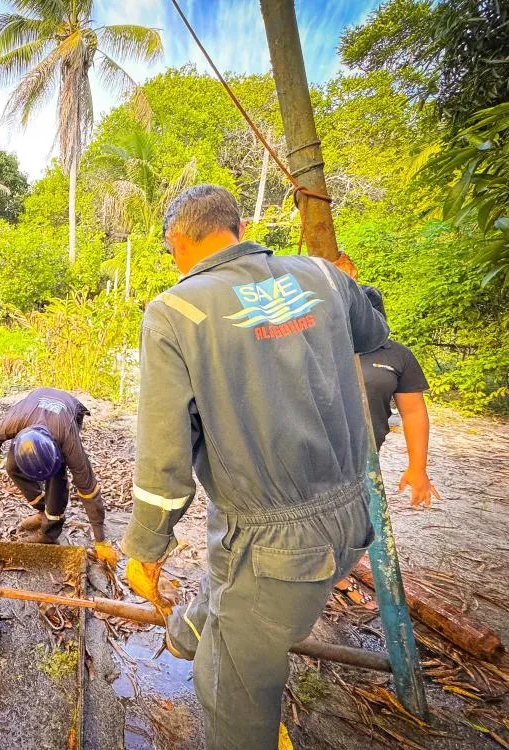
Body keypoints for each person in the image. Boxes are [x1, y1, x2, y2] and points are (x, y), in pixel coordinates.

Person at [120, 185, 389, 749]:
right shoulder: (322, 276)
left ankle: (213, 643)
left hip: (276, 548)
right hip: (352, 517)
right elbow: (375, 334)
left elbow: (164, 461)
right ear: (237, 228)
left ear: (176, 241)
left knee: (229, 688)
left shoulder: (175, 312)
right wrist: (350, 285)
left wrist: (145, 549)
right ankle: (192, 628)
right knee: (229, 567)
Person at [0, 388, 117, 565]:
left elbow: (88, 490)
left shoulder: (68, 442)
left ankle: (50, 532)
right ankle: (43, 510)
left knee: (56, 480)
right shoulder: (12, 424)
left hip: (68, 412)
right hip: (33, 409)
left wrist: (101, 539)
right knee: (11, 466)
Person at [359, 285, 439, 508]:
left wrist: (418, 467)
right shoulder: (317, 347)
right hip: (308, 455)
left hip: (365, 458)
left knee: (364, 528)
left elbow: (413, 412)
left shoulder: (397, 354)